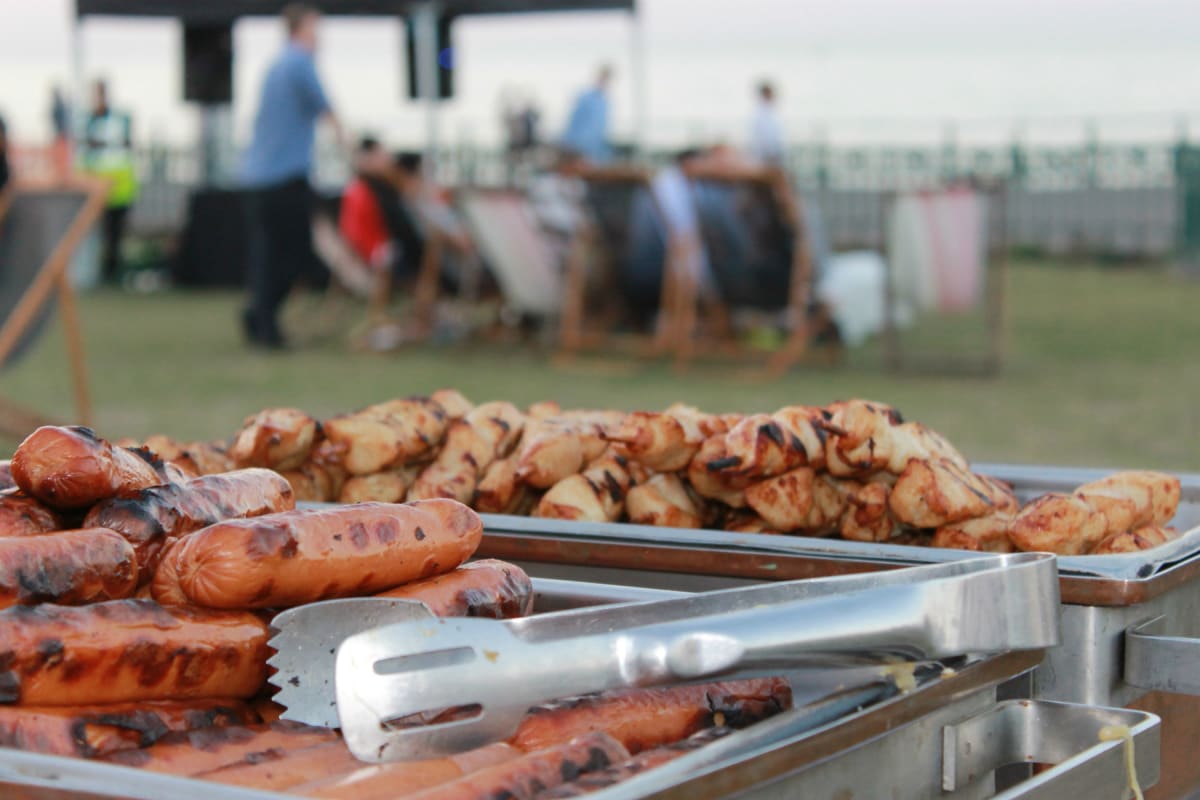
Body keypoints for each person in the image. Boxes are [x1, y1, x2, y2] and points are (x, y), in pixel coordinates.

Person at [240, 3, 344, 349]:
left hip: (258, 175)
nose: (320, 35)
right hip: (285, 176)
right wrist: (354, 153)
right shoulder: (299, 63)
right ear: (300, 28)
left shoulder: (276, 66)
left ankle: (260, 319)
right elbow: (328, 111)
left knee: (267, 253)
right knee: (297, 254)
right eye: (315, 27)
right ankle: (263, 320)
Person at [81, 79, 138, 284]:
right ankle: (99, 273)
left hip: (119, 187)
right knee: (99, 235)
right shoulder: (88, 121)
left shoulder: (118, 121)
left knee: (116, 235)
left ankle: (113, 273)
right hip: (96, 189)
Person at [561, 66, 613, 164]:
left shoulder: (605, 102)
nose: (605, 81)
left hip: (595, 151)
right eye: (603, 77)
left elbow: (601, 131)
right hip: (577, 148)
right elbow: (573, 121)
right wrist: (569, 143)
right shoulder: (585, 97)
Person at [749, 81, 784, 166]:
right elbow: (763, 136)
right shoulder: (759, 113)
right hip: (766, 156)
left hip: (772, 154)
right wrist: (770, 153)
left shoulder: (771, 112)